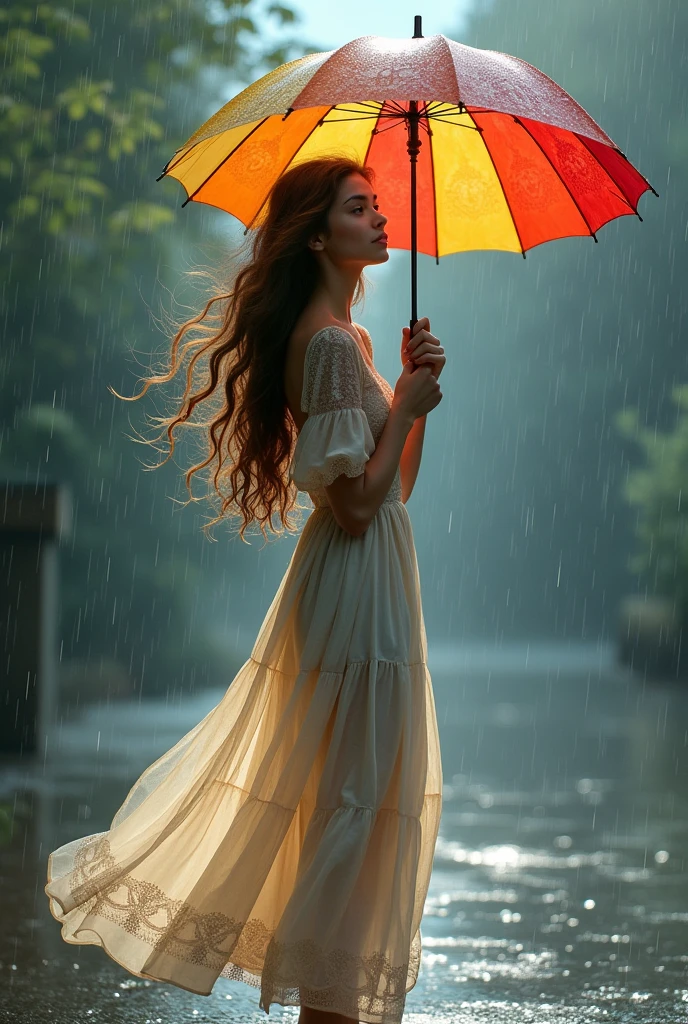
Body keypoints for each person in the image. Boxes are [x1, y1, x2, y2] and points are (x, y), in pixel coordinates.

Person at [44, 155, 445, 1024]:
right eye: (359, 209)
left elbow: (396, 489)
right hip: (354, 590)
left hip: (369, 586)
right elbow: (353, 507)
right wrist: (405, 409)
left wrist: (414, 395)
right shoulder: (333, 343)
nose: (380, 220)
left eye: (378, 207)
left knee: (360, 796)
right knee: (355, 798)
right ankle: (334, 1007)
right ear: (316, 234)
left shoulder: (353, 341)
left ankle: (335, 1000)